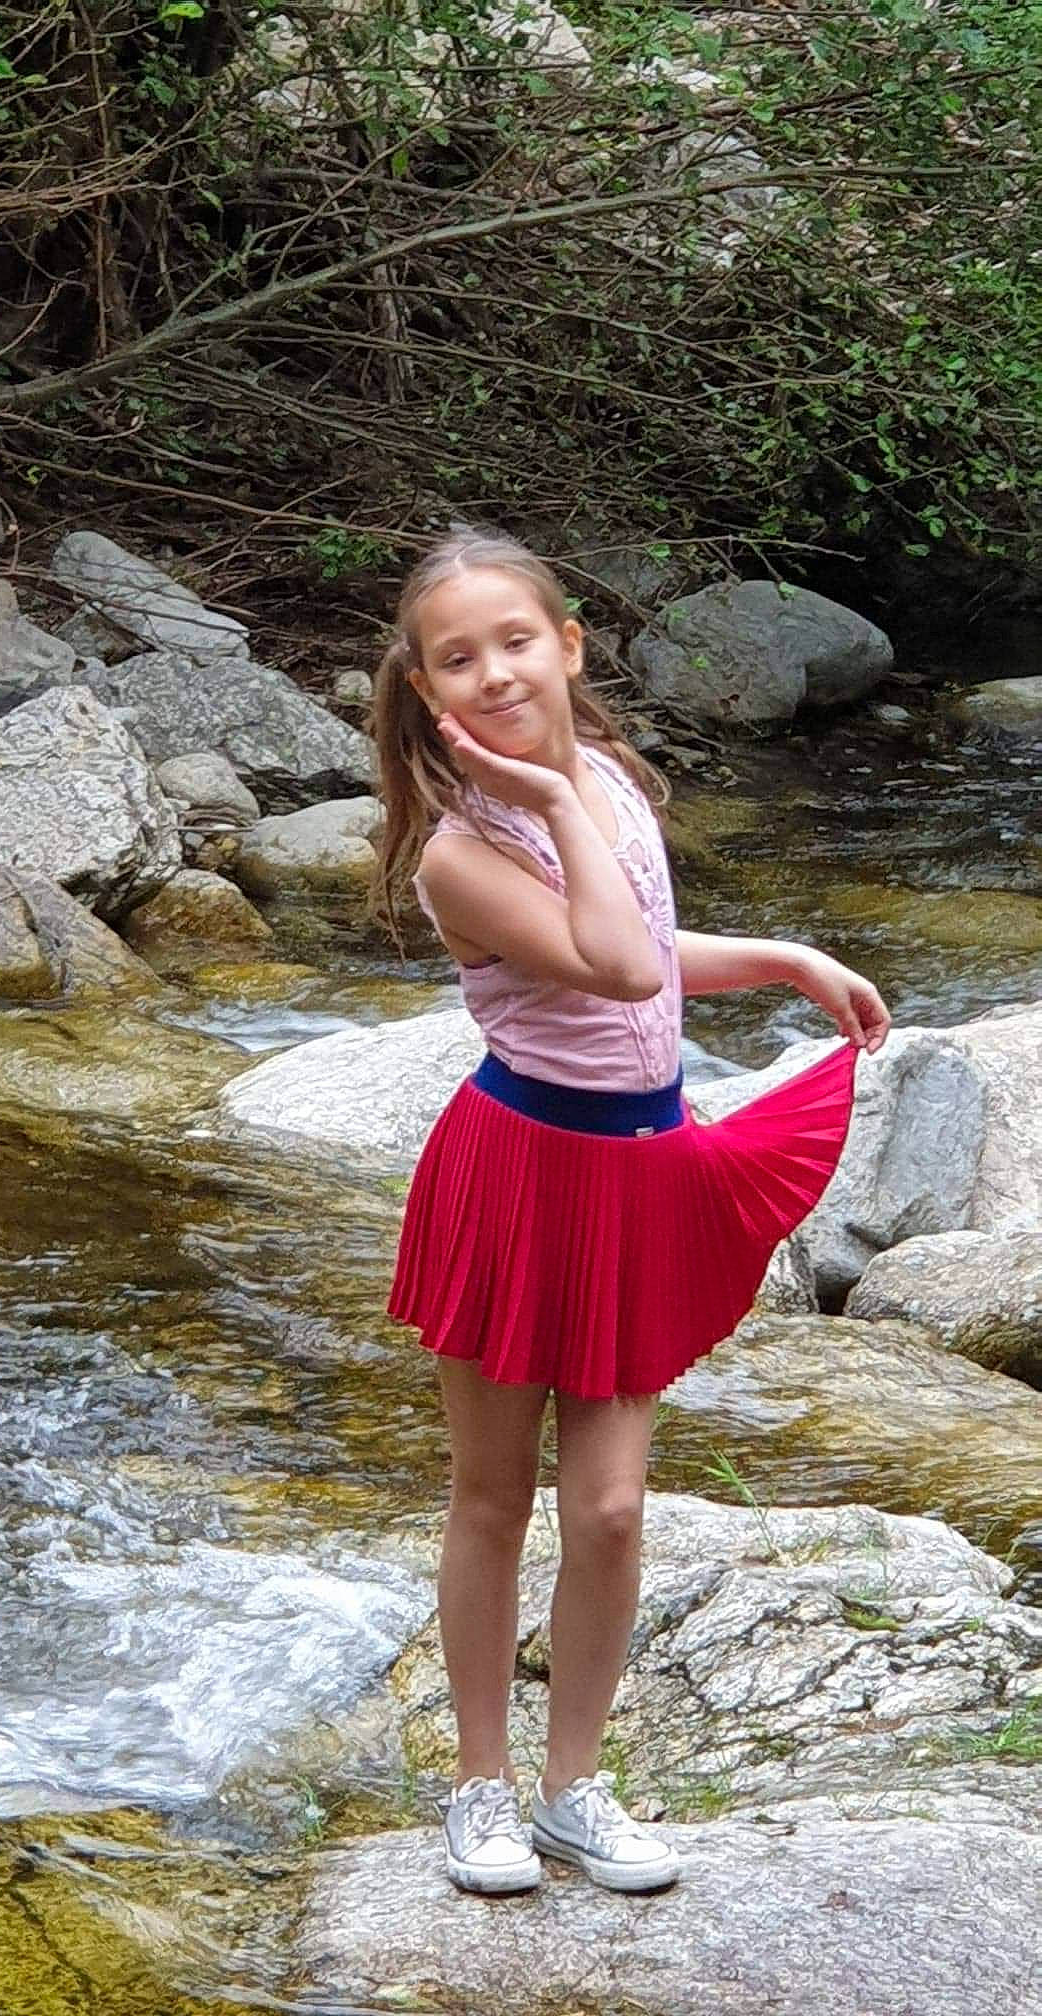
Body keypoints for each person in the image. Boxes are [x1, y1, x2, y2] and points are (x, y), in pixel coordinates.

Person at [370, 530, 891, 1898]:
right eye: (458, 657)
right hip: (521, 1173)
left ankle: (572, 1791)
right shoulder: (461, 853)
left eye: (515, 641)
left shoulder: (602, 781)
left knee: (605, 1510)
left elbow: (650, 956)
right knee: (491, 1498)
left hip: (639, 1170)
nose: (492, 672)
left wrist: (785, 955)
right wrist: (541, 799)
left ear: (571, 645)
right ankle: (479, 1789)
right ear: (427, 692)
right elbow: (603, 965)